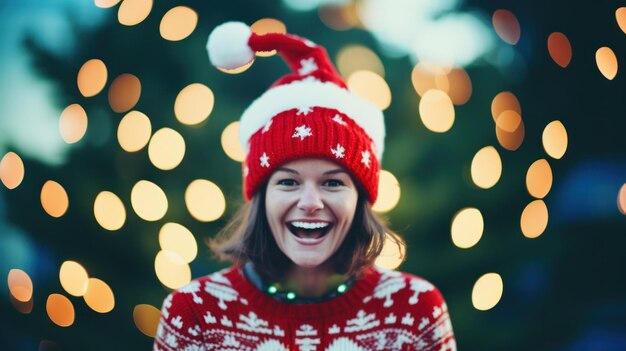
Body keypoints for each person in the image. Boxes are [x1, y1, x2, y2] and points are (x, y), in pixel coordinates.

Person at [153, 21, 456, 351]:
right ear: (261, 196)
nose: (310, 202)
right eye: (287, 181)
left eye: (332, 182)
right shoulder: (196, 314)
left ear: (360, 198)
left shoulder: (414, 311)